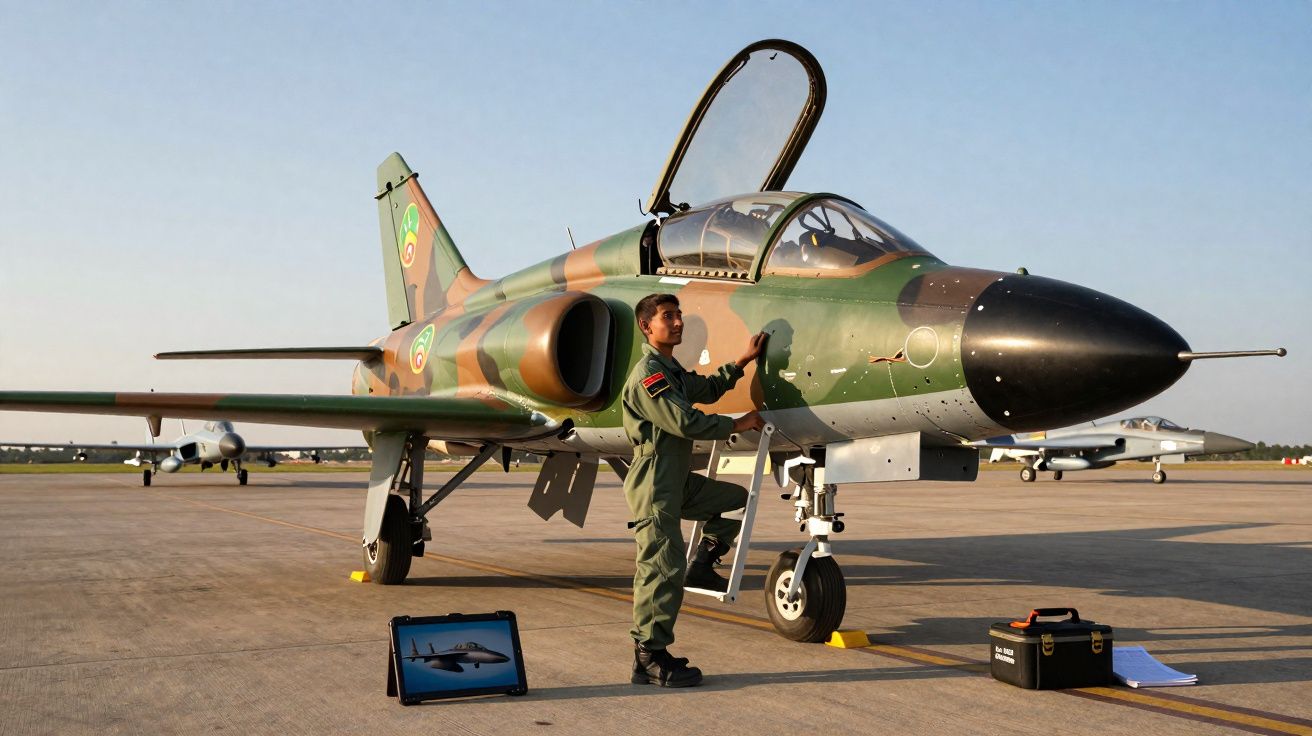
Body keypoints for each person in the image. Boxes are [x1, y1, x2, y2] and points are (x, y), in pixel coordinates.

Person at [623, 292, 767, 687]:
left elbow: (708, 389)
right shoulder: (649, 376)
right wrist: (737, 424)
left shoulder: (671, 371)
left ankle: (703, 565)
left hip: (677, 478)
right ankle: (649, 656)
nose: (678, 322)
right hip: (655, 480)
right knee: (661, 567)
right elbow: (685, 422)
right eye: (667, 316)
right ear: (646, 326)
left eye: (679, 315)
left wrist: (742, 361)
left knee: (735, 500)